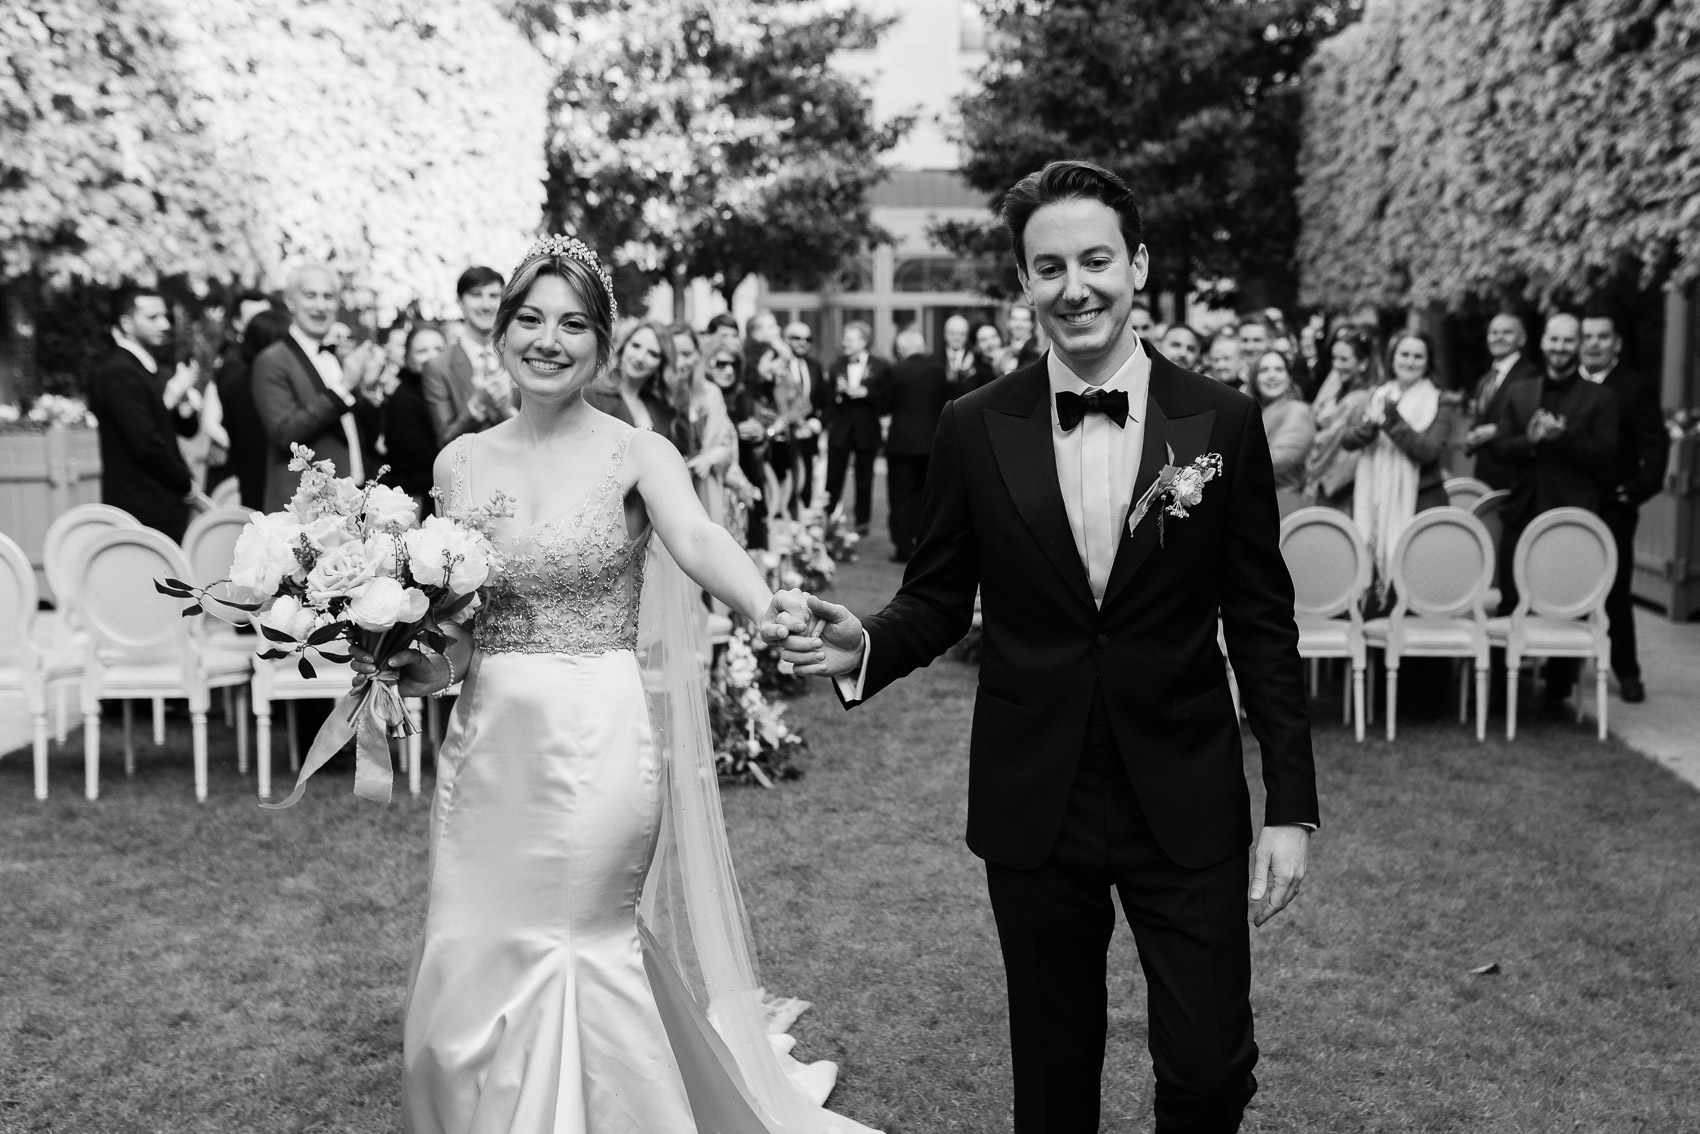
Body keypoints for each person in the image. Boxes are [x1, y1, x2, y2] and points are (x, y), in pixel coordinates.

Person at [775, 160, 1316, 1134]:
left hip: (1184, 788)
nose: (1075, 287)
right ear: (1023, 282)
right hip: (1036, 796)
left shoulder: (1220, 422)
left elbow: (1262, 621)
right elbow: (938, 600)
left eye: (1096, 260)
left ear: (1136, 264)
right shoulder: (974, 426)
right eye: (1049, 266)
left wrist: (1290, 807)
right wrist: (866, 642)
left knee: (1206, 1066)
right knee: (1052, 1075)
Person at [372, 235, 876, 1134]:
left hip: (596, 740)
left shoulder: (639, 454)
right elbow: (458, 629)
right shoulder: (460, 464)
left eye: (573, 324)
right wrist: (411, 663)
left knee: (580, 945)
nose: (548, 341)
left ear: (603, 344)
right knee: (473, 941)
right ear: (499, 330)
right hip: (489, 748)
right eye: (529, 318)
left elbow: (699, 540)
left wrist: (770, 607)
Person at [1491, 312, 1619, 713]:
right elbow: (1500, 449)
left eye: (1568, 341)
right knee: (1512, 601)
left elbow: (1605, 458)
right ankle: (1499, 693)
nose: (1560, 348)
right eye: (1554, 340)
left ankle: (1557, 695)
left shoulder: (1601, 397)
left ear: (1578, 344)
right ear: (1542, 342)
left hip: (1570, 514)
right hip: (1523, 508)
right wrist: (1529, 441)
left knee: (1568, 606)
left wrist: (1562, 438)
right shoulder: (1521, 391)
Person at [1580, 311, 1669, 703]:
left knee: (1614, 591)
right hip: (1568, 502)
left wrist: (1631, 493)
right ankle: (1559, 670)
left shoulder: (1634, 388)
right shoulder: (1566, 385)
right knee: (1560, 582)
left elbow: (1655, 450)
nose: (1593, 343)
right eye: (1587, 337)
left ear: (1616, 343)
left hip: (1613, 506)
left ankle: (1627, 671)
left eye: (1602, 337)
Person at [252, 263, 379, 511]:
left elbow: (362, 435)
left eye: (328, 297)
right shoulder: (272, 359)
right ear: (290, 300)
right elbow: (285, 435)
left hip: (350, 500)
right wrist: (343, 387)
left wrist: (370, 389)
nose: (320, 306)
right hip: (303, 506)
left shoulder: (338, 358)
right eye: (310, 296)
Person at [1343, 330, 1458, 590]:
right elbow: (1348, 440)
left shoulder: (1442, 401)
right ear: (1392, 359)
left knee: (1419, 583)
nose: (1410, 361)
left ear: (1428, 362)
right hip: (1374, 498)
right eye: (1404, 354)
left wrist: (1390, 420)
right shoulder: (1376, 396)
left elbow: (1428, 451)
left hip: (1422, 501)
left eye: (1419, 356)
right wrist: (1371, 426)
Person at [86, 286, 202, 541]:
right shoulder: (118, 371)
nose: (164, 324)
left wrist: (181, 401)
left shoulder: (153, 370)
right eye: (152, 317)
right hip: (140, 504)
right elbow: (145, 443)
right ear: (127, 323)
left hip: (163, 502)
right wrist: (184, 482)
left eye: (165, 317)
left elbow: (187, 429)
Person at [875, 327, 950, 562]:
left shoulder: (896, 371)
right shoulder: (938, 371)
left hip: (902, 444)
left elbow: (884, 405)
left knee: (900, 496)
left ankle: (902, 546)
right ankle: (923, 543)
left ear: (902, 349)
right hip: (931, 442)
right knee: (925, 495)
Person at [422, 266, 514, 447]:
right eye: (476, 295)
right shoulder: (438, 366)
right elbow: (445, 441)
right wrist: (477, 406)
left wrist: (506, 412)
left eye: (494, 296)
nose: (486, 305)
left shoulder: (519, 356)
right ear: (460, 302)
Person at [669, 322, 743, 532]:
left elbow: (725, 445)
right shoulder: (658, 394)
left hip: (703, 487)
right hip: (666, 489)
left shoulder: (710, 393)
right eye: (674, 353)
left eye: (686, 353)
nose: (680, 361)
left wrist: (708, 459)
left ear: (697, 356)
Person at [208, 289, 276, 505]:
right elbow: (210, 421)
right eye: (255, 318)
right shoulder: (233, 366)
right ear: (237, 323)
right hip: (239, 471)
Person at [370, 323, 446, 514]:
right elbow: (413, 464)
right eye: (422, 351)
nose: (432, 356)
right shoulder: (404, 399)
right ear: (408, 358)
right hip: (421, 501)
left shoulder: (444, 390)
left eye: (439, 349)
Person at [1463, 313, 1541, 490]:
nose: (1499, 337)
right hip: (1483, 477)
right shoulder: (1484, 380)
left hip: (1513, 477)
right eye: (1494, 332)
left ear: (1521, 339)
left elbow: (1530, 425)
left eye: (1507, 332)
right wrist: (1471, 437)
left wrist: (1497, 431)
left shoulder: (1531, 376)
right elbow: (1481, 418)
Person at [824, 320, 888, 534]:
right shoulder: (836, 365)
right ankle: (827, 519)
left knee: (864, 478)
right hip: (841, 430)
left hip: (866, 429)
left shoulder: (881, 366)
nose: (844, 343)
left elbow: (887, 398)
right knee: (833, 477)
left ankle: (862, 522)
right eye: (844, 338)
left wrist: (865, 393)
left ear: (863, 341)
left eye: (849, 339)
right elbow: (828, 401)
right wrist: (838, 394)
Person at [1304, 327, 1377, 512]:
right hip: (1327, 481)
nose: (1337, 365)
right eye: (1334, 358)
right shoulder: (1338, 389)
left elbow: (1331, 443)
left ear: (1363, 363)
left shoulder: (1357, 400)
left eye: (1344, 359)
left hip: (1339, 486)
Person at [1252, 350, 1316, 517]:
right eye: (1264, 370)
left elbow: (1282, 461)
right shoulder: (1256, 411)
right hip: (1257, 502)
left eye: (1278, 370)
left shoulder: (1297, 410)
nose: (1271, 376)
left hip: (1284, 504)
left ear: (1289, 378)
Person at [782, 321, 828, 512]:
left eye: (808, 339)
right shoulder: (778, 366)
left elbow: (826, 402)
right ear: (785, 340)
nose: (803, 343)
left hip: (809, 436)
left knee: (806, 482)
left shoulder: (815, 366)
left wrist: (816, 423)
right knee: (785, 484)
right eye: (796, 338)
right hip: (783, 437)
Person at [941, 314, 994, 398]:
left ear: (967, 336)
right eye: (952, 333)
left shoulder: (979, 361)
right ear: (945, 334)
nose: (956, 337)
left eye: (962, 333)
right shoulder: (934, 361)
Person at [1006, 302, 1042, 370]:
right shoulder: (1004, 347)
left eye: (1024, 320)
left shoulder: (1037, 349)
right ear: (1008, 322)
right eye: (1015, 319)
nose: (1019, 324)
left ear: (1032, 324)